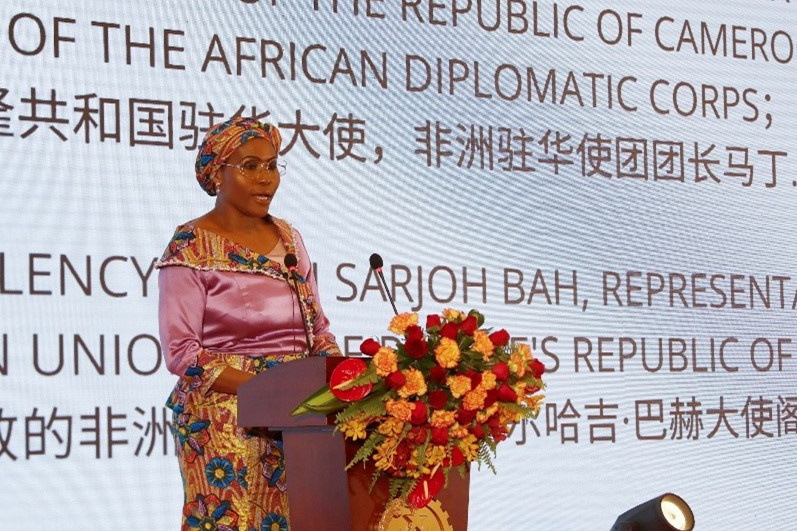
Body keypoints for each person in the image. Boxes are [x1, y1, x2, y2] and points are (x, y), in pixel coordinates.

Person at [157, 116, 341, 531]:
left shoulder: (290, 238)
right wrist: (270, 389)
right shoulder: (190, 246)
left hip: (301, 420)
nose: (266, 178)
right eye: (250, 166)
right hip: (226, 419)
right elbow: (182, 353)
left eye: (272, 166)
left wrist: (341, 379)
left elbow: (318, 329)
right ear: (217, 174)